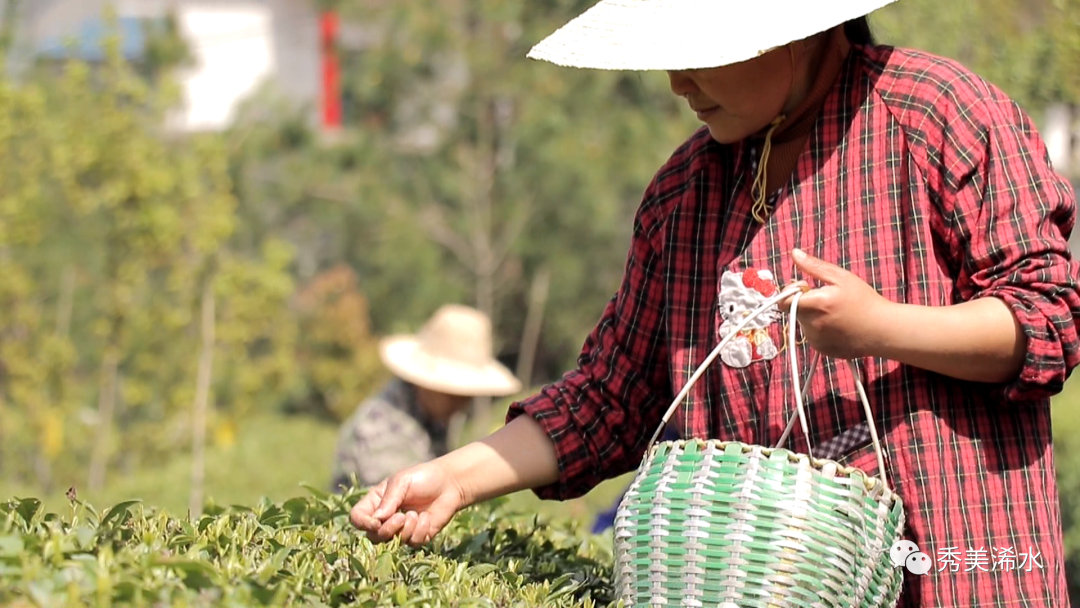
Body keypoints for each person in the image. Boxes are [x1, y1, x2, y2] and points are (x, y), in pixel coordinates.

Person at [349, 1, 1080, 605]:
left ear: (796, 30)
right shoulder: (685, 196)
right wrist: (453, 478)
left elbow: (1047, 319)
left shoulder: (934, 116)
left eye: (698, 50)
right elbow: (611, 397)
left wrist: (881, 327)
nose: (678, 82)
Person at [329, 304, 521, 491]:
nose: (461, 403)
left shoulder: (430, 418)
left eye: (468, 394)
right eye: (452, 394)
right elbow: (402, 499)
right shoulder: (382, 428)